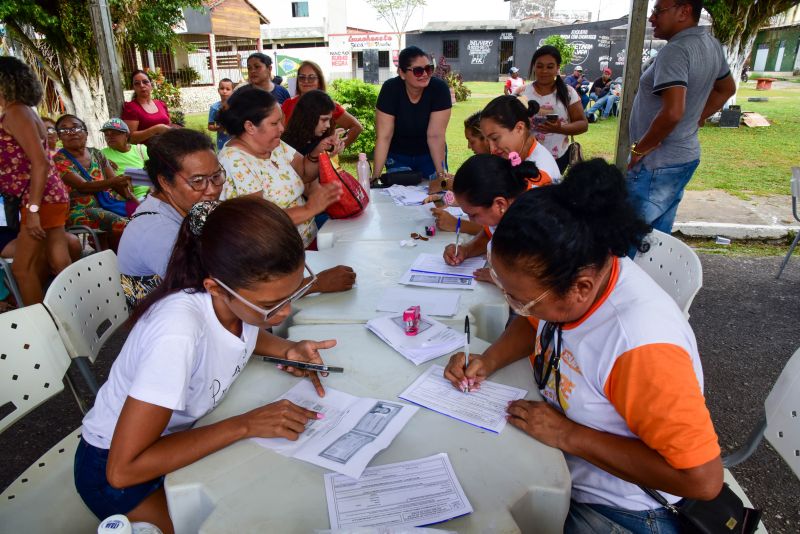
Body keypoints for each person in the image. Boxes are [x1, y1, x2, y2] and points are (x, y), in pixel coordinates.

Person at [443, 159, 723, 533]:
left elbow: (701, 479)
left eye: (520, 300)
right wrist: (488, 360)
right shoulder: (567, 278)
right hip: (560, 460)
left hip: (625, 507)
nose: (515, 307)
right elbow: (533, 321)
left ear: (582, 287)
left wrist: (566, 435)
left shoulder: (640, 346)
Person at [74, 196, 338, 532]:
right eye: (272, 305)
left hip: (176, 440)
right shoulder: (177, 333)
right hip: (115, 467)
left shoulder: (239, 306)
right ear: (215, 287)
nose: (284, 312)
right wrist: (246, 424)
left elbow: (242, 334)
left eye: (292, 293)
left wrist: (289, 349)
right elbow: (123, 469)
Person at [216, 86, 356, 291]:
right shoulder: (234, 161)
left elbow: (304, 172)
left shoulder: (275, 145)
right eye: (274, 123)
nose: (282, 128)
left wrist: (319, 151)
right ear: (250, 126)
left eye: (280, 121)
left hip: (302, 248)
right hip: (273, 265)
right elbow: (261, 221)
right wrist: (311, 208)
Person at [627, 0, 735, 234]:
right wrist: (696, 117)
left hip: (657, 161)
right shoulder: (710, 44)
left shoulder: (675, 50)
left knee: (629, 238)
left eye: (658, 11)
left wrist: (639, 150)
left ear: (684, 11)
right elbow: (726, 89)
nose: (652, 18)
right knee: (656, 239)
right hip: (683, 156)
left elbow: (673, 112)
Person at [117, 129, 223, 308]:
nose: (212, 190)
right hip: (160, 323)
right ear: (165, 183)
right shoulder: (156, 230)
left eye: (216, 176)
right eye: (197, 181)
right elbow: (208, 290)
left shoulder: (188, 209)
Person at [0, 56, 72, 305]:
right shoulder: (26, 112)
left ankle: (44, 329)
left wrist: (32, 210)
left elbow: (39, 162)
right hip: (51, 196)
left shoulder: (15, 112)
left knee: (22, 269)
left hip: (40, 198)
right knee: (58, 262)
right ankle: (71, 316)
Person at [442, 154, 549, 283]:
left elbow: (542, 283)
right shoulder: (506, 207)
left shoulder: (537, 223)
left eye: (474, 214)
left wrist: (504, 279)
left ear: (499, 204)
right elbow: (490, 234)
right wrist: (465, 250)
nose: (470, 220)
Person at [54, 114, 137, 252]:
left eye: (76, 127)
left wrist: (134, 202)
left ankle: (110, 253)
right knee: (124, 225)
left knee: (141, 216)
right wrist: (115, 180)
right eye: (64, 130)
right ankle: (120, 257)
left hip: (107, 204)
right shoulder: (59, 159)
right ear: (59, 137)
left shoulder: (96, 154)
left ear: (86, 133)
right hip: (78, 210)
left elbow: (116, 184)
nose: (71, 132)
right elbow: (83, 186)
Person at [372, 46, 452, 181]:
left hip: (430, 156)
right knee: (397, 195)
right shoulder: (390, 89)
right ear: (401, 73)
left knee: (436, 193)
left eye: (428, 68)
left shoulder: (439, 89)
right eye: (418, 71)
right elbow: (384, 136)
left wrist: (441, 175)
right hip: (398, 155)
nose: (425, 74)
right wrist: (375, 176)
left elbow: (436, 136)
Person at [516, 46, 588, 172]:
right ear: (534, 67)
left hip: (558, 157)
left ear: (557, 68)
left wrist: (560, 128)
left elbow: (583, 124)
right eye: (539, 66)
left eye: (550, 66)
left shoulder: (568, 93)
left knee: (551, 190)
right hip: (525, 156)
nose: (544, 71)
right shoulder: (521, 92)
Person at [281, 60, 363, 150]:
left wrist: (335, 148)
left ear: (319, 81)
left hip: (320, 162)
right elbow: (280, 134)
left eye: (311, 77)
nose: (306, 81)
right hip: (291, 161)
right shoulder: (288, 104)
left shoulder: (329, 106)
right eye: (302, 77)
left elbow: (356, 127)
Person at [479, 95, 561, 183]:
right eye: (487, 141)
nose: (492, 149)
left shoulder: (537, 177)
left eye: (495, 139)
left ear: (519, 128)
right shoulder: (527, 153)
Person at [430, 112, 487, 235]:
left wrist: (456, 224)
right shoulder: (482, 165)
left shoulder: (496, 171)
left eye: (472, 141)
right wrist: (444, 199)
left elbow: (493, 230)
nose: (468, 147)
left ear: (485, 138)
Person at [281, 90, 345, 157]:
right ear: (308, 117)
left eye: (329, 120)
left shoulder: (319, 140)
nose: (328, 125)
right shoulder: (286, 146)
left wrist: (332, 149)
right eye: (324, 120)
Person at [100, 118, 150, 200]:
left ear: (126, 135)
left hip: (150, 194)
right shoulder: (101, 154)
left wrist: (128, 177)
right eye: (106, 134)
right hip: (124, 199)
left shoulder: (140, 149)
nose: (110, 137)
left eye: (114, 133)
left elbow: (155, 173)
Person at [121, 70, 172, 146]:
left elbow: (168, 125)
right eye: (137, 83)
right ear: (133, 87)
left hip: (168, 149)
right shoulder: (131, 108)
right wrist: (156, 129)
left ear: (151, 84)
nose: (142, 85)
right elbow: (130, 138)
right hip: (146, 154)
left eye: (145, 82)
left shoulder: (161, 104)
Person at [207, 78, 236, 152]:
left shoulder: (237, 106)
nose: (224, 91)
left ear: (233, 91)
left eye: (228, 89)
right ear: (218, 90)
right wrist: (219, 128)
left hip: (237, 142)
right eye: (222, 88)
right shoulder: (214, 107)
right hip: (222, 143)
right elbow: (210, 126)